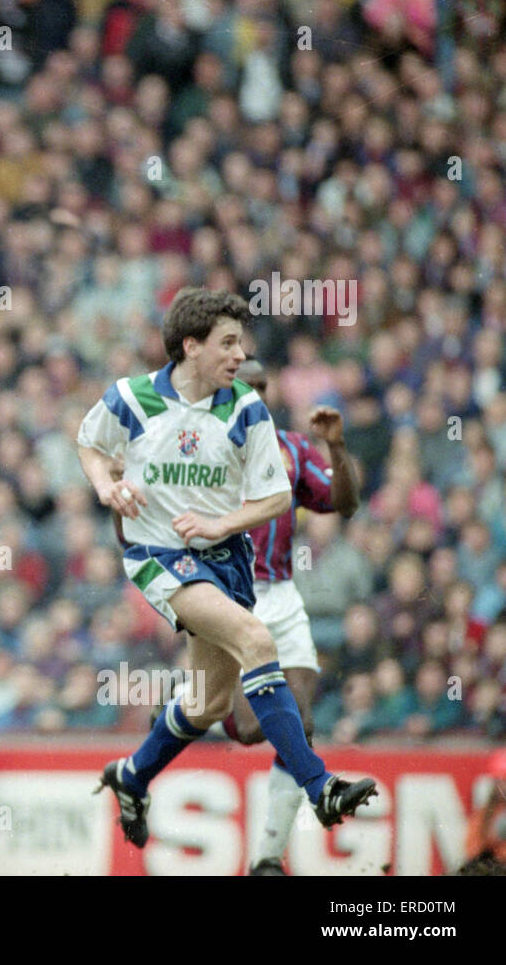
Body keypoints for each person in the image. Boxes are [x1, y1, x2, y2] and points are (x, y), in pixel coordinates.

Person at [75, 287, 376, 849]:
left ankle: (132, 774)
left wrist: (221, 524)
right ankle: (320, 785)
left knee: (208, 703)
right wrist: (104, 485)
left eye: (242, 342)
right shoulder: (132, 398)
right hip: (159, 557)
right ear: (191, 346)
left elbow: (277, 499)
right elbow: (90, 444)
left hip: (226, 561)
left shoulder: (245, 408)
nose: (241, 355)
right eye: (229, 343)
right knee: (254, 639)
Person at [226, 360, 361, 875]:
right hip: (232, 595)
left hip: (282, 593)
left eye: (263, 386)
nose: (257, 394)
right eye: (247, 386)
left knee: (301, 725)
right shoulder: (211, 445)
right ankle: (197, 701)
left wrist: (338, 448)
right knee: (247, 726)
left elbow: (344, 503)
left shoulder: (292, 449)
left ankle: (266, 857)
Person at [459, 748, 506, 875]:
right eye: (501, 780)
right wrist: (492, 839)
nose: (503, 785)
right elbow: (472, 851)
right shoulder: (485, 814)